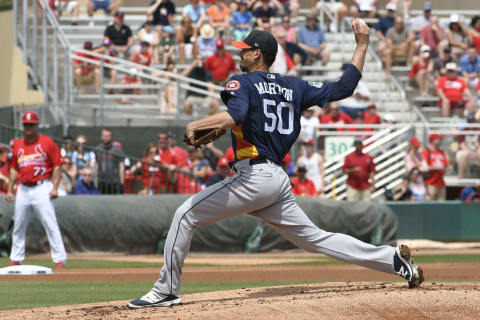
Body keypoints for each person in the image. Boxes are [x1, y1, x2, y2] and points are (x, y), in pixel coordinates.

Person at [129, 23, 423, 309]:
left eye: (245, 50)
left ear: (257, 54)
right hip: (276, 181)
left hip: (254, 176)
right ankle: (391, 259)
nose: (240, 55)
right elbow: (344, 87)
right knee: (314, 239)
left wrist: (197, 124)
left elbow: (236, 115)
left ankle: (166, 291)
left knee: (184, 216)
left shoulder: (241, 82)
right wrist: (361, 46)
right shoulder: (294, 86)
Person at [5, 111, 67, 269]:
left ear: (37, 125)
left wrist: (54, 187)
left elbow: (58, 165)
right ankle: (16, 258)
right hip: (23, 188)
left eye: (31, 124)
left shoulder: (46, 142)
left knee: (50, 223)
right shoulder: (18, 145)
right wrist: (10, 189)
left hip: (42, 187)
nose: (28, 127)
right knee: (18, 224)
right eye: (26, 124)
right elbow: (14, 168)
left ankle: (59, 259)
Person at [342, 137, 375, 201]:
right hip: (353, 185)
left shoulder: (367, 157)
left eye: (360, 144)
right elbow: (344, 170)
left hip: (365, 185)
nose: (358, 146)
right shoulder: (349, 157)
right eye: (357, 144)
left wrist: (373, 184)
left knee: (366, 205)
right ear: (354, 145)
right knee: (352, 205)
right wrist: (353, 170)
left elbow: (372, 171)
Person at [95, 128, 125, 194]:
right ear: (101, 136)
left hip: (114, 182)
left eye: (107, 136)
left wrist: (122, 182)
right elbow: (95, 166)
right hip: (101, 181)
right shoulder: (97, 149)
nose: (105, 138)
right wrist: (95, 182)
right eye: (104, 135)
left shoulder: (117, 150)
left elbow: (121, 166)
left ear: (111, 137)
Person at [421, 134, 449, 200]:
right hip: (430, 183)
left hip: (441, 183)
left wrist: (445, 168)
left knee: (441, 206)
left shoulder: (442, 152)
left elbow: (447, 165)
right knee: (430, 206)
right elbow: (424, 168)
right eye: (438, 139)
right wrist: (438, 168)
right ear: (432, 140)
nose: (440, 141)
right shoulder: (426, 151)